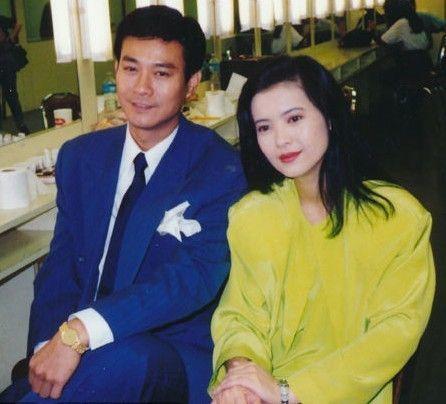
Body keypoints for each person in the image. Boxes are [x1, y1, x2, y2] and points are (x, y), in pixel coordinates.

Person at [0, 6, 245, 403]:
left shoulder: (220, 169)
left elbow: (190, 279)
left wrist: (80, 331)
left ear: (191, 84)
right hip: (84, 352)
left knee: (132, 359)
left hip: (167, 352)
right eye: (131, 69)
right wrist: (48, 347)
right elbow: (61, 270)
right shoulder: (81, 156)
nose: (142, 88)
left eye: (161, 74)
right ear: (115, 71)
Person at [209, 56, 435, 403]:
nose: (281, 140)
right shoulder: (252, 215)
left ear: (329, 115)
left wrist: (290, 392)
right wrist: (242, 376)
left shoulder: (398, 218)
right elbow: (240, 315)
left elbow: (394, 333)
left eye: (294, 118)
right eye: (264, 127)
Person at [0, 14, 29, 134]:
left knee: (11, 95)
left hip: (5, 62)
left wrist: (10, 39)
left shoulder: (1, 19)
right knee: (12, 95)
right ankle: (20, 125)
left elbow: (18, 24)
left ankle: (21, 125)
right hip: (6, 61)